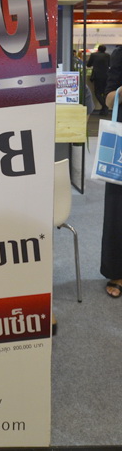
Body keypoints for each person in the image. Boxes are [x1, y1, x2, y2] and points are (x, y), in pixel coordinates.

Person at [100, 46, 122, 297]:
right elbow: (108, 99)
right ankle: (117, 271)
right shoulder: (120, 54)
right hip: (121, 146)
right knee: (118, 209)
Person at [87, 45, 111, 115]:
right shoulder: (108, 55)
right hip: (106, 75)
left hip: (97, 76)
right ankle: (104, 108)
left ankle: (105, 106)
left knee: (97, 93)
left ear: (98, 49)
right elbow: (110, 64)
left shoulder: (93, 55)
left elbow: (88, 65)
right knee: (104, 92)